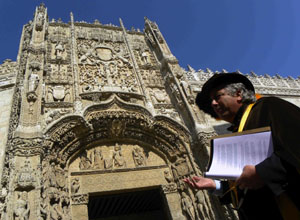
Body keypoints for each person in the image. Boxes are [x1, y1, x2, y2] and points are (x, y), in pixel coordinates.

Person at [184, 72, 300, 220]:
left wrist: (262, 172)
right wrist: (216, 185)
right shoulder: (238, 129)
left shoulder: (269, 107)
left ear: (239, 94)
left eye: (217, 97)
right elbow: (248, 183)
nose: (212, 104)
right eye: (211, 100)